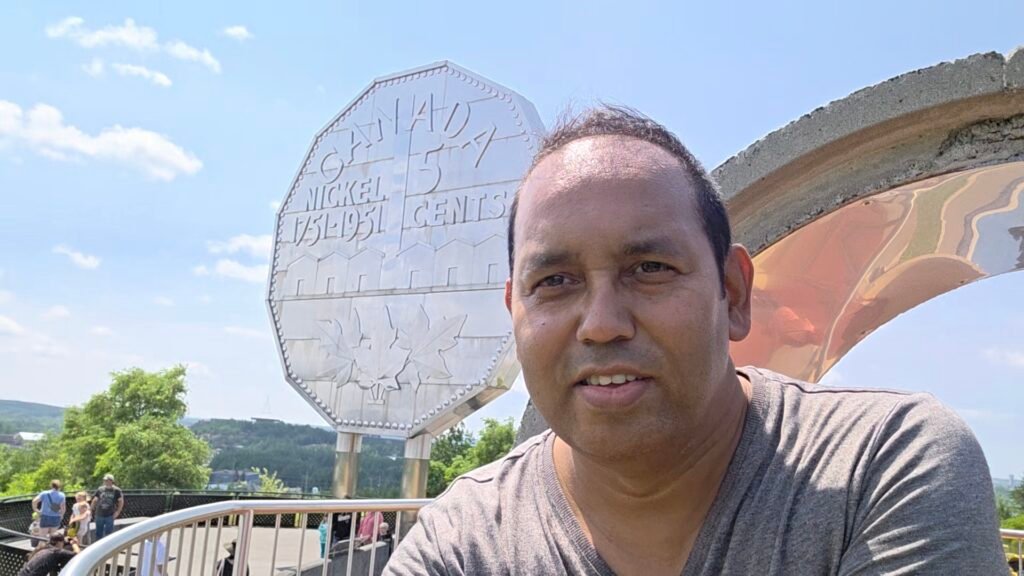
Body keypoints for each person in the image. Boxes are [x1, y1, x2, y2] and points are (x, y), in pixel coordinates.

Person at [384, 105, 1007, 574]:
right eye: (555, 281)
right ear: (514, 311)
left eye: (650, 269)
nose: (602, 323)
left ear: (733, 293)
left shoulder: (881, 468)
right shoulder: (463, 543)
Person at [91, 473, 123, 540]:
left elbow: (121, 501)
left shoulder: (117, 490)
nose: (105, 482)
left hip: (110, 514)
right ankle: (98, 547)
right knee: (98, 532)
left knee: (108, 533)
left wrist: (117, 512)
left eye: (107, 480)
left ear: (111, 481)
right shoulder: (100, 489)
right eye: (104, 480)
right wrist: (91, 509)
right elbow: (95, 499)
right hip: (99, 514)